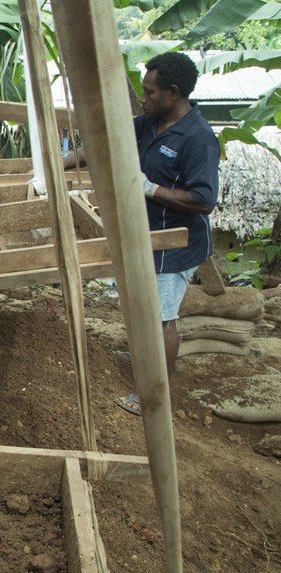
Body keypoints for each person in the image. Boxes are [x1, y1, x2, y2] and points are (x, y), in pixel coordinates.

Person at [63, 51, 219, 415]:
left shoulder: (198, 139)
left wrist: (149, 189)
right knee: (140, 303)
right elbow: (102, 146)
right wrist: (62, 163)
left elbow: (203, 199)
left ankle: (153, 394)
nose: (144, 98)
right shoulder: (150, 122)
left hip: (174, 243)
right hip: (144, 235)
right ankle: (141, 356)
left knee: (161, 317)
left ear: (174, 93)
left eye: (150, 92)